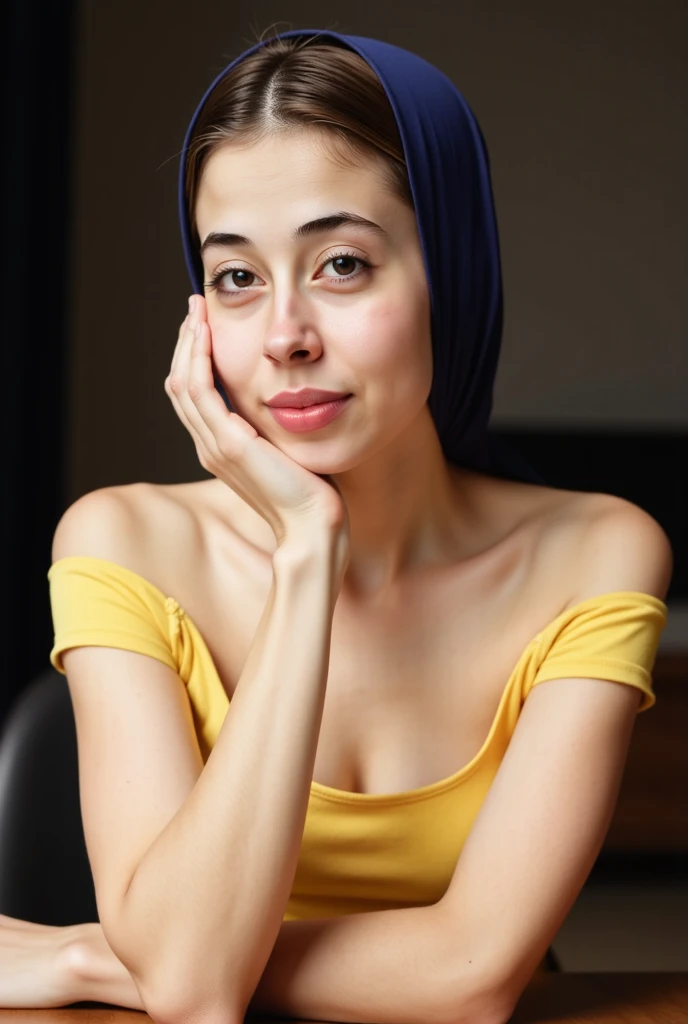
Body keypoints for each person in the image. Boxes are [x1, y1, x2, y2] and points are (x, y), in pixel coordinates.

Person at [2, 27, 672, 1023]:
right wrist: (308, 552)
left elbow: (473, 980)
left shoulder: (595, 553)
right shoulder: (121, 541)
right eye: (236, 277)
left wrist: (94, 958)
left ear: (451, 269)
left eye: (342, 264)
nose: (284, 336)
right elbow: (192, 992)